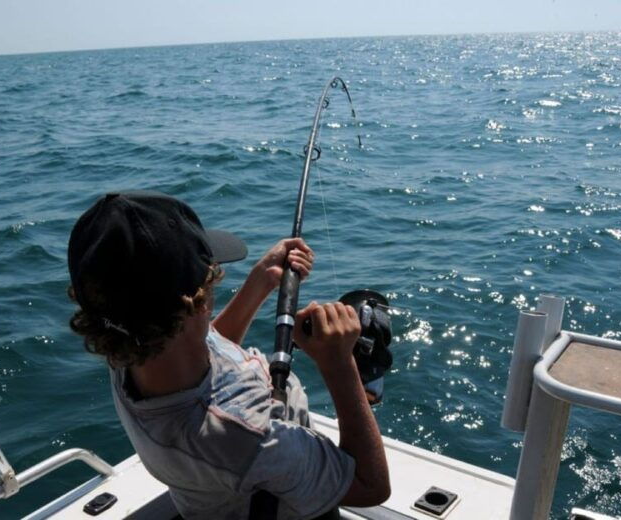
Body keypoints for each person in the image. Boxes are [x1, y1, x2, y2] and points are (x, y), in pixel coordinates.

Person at [67, 191, 389, 520]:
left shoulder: (127, 346)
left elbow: (203, 347)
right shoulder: (246, 437)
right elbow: (370, 486)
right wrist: (338, 364)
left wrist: (261, 281)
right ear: (197, 303)